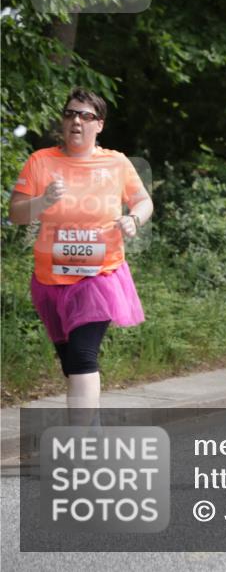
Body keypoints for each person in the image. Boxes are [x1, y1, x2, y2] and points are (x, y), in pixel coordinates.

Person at [9, 88, 152, 425]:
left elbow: (143, 201)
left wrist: (133, 219)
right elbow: (15, 213)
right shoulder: (40, 161)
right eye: (71, 113)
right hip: (50, 279)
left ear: (98, 125)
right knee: (71, 363)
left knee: (84, 355)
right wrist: (42, 202)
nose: (76, 120)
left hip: (100, 275)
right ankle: (93, 430)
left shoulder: (116, 163)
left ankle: (81, 445)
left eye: (85, 116)